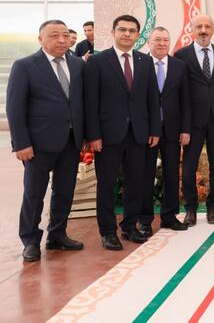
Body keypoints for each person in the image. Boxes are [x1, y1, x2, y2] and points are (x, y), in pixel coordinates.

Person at [6, 20, 86, 262]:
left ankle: (57, 235)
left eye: (65, 35)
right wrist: (21, 143)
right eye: (54, 35)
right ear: (41, 39)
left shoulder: (77, 64)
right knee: (34, 193)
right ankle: (30, 240)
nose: (61, 40)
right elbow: (14, 107)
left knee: (65, 191)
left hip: (71, 141)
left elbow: (81, 102)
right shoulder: (25, 66)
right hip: (37, 143)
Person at [84, 15, 160, 250]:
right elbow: (91, 101)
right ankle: (108, 232)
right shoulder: (98, 61)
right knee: (107, 185)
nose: (127, 34)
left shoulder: (145, 61)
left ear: (138, 35)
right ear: (113, 32)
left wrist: (154, 129)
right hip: (107, 135)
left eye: (131, 31)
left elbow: (152, 98)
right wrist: (93, 135)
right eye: (122, 30)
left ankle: (129, 226)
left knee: (136, 182)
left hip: (138, 133)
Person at [174, 14, 214, 226]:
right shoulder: (181, 55)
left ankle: (213, 207)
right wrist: (182, 124)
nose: (203, 30)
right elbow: (178, 91)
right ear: (192, 29)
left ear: (213, 29)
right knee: (188, 168)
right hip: (192, 121)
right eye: (199, 27)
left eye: (207, 26)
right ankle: (191, 208)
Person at [139, 27, 190, 236]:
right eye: (157, 40)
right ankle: (145, 220)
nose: (161, 44)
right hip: (147, 131)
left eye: (165, 40)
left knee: (171, 174)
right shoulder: (140, 64)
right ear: (149, 42)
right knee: (146, 175)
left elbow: (186, 100)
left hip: (172, 130)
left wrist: (185, 129)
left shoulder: (179, 66)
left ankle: (169, 216)